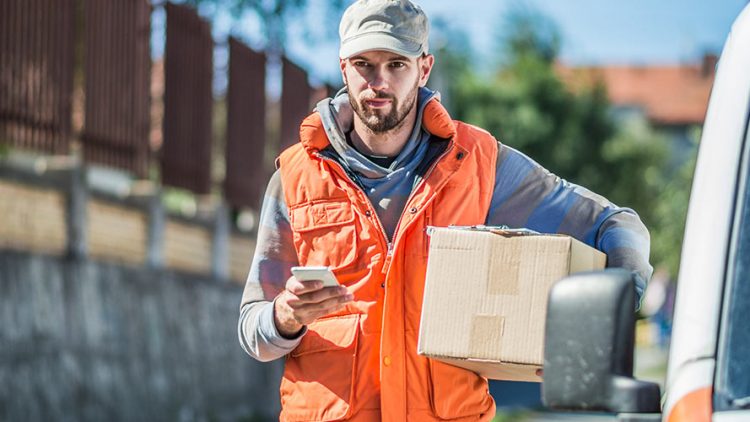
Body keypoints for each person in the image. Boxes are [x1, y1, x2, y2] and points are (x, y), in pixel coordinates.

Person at [238, 0, 652, 420]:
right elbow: (254, 333)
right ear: (343, 68)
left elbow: (614, 224)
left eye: (396, 64)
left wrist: (609, 319)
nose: (378, 82)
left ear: (424, 68)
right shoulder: (294, 177)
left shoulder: (480, 163)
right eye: (364, 64)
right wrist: (284, 317)